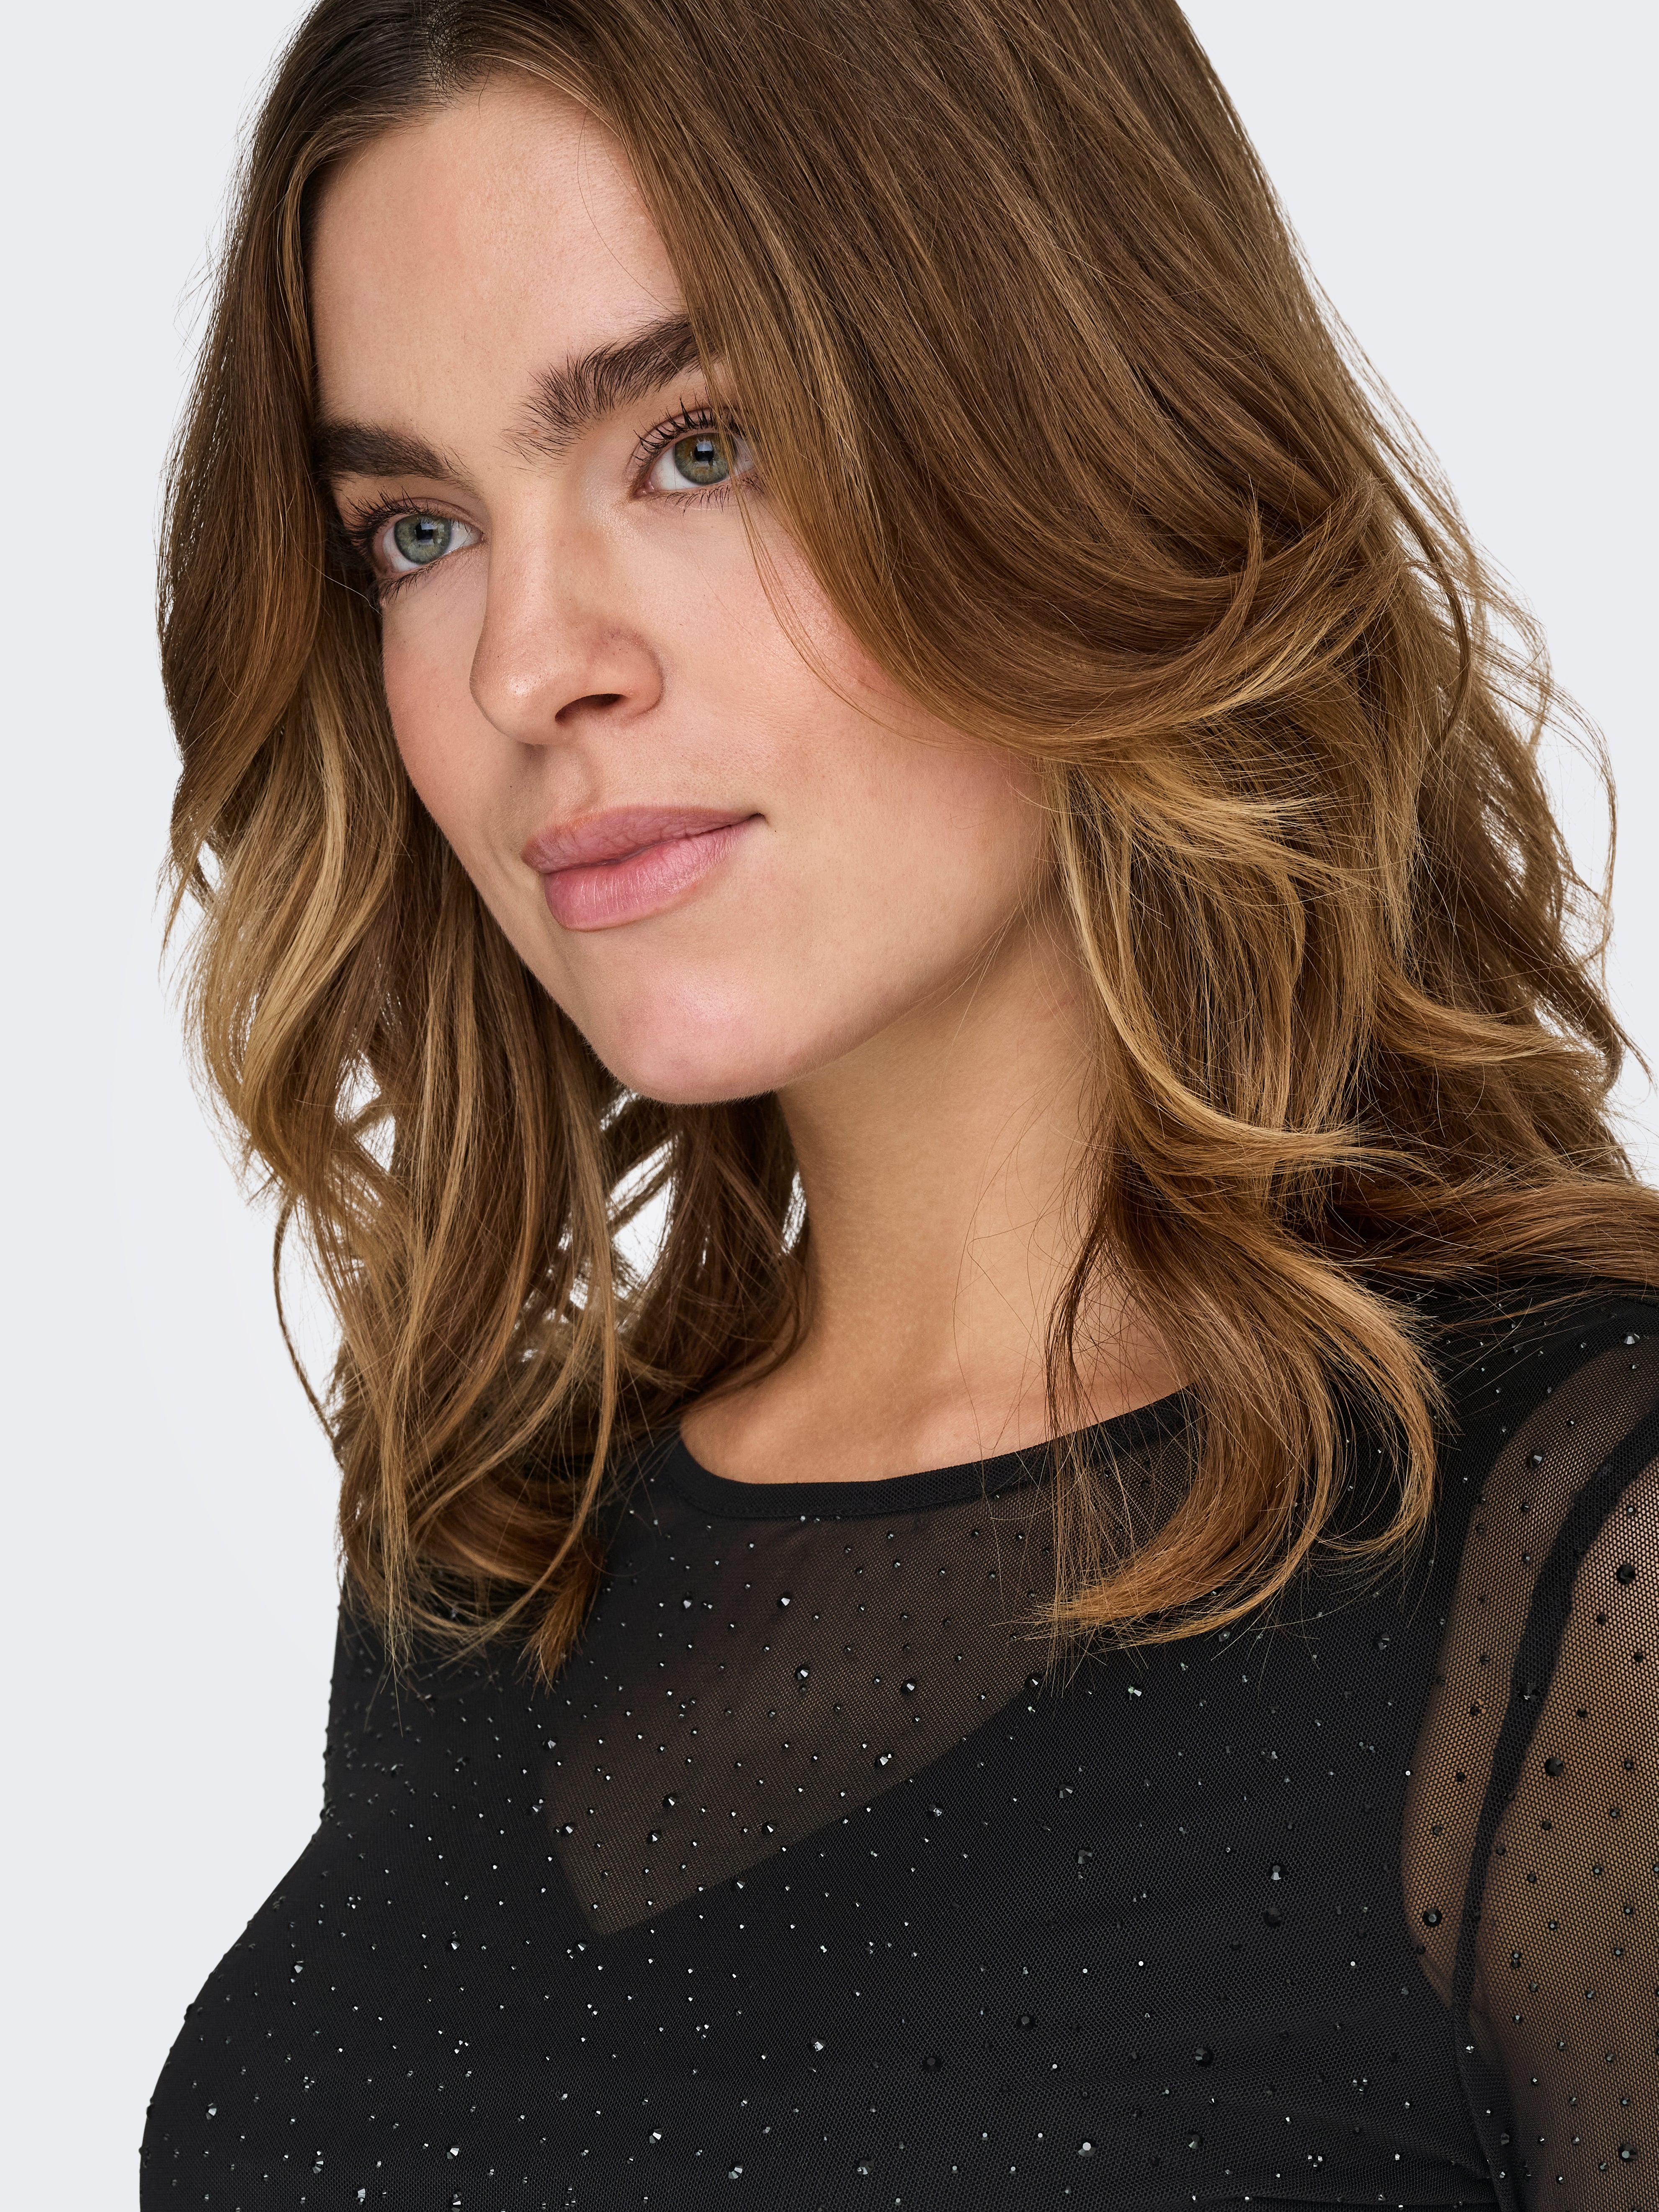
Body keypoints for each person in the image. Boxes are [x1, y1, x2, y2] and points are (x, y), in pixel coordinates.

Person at [140, 1, 1657, 2204]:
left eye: (696, 446)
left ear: (1076, 422)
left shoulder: (1578, 1552)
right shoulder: (488, 1555)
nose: (525, 665)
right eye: (419, 529)